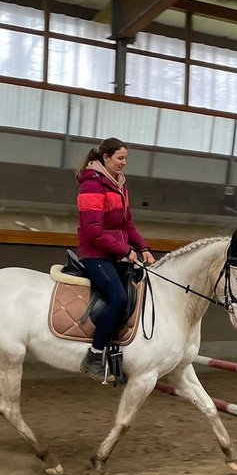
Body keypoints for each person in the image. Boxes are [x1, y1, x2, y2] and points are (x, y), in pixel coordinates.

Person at [75, 137, 156, 381]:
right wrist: (124, 250)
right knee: (118, 298)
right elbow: (93, 230)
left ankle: (118, 357)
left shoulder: (119, 185)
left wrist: (143, 247)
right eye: (120, 158)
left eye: (125, 159)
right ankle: (93, 354)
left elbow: (127, 224)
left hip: (115, 254)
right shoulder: (91, 185)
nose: (123, 163)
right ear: (105, 158)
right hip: (95, 254)